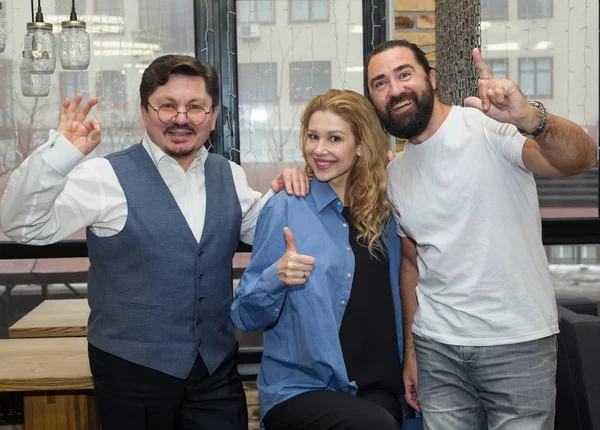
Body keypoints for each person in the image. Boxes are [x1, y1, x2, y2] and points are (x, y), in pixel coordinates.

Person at [0, 54, 309, 430]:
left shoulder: (230, 175)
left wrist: (300, 181)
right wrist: (59, 155)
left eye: (195, 107)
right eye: (167, 106)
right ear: (146, 112)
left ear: (212, 116)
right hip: (131, 374)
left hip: (215, 371)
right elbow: (20, 226)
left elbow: (277, 226)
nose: (181, 118)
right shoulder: (104, 176)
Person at [366, 39, 598, 429]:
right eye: (380, 83)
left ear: (432, 79)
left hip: (518, 344)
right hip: (436, 350)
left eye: (404, 74)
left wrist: (532, 120)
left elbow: (583, 158)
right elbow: (412, 266)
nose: (395, 89)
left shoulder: (488, 126)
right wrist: (411, 352)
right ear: (374, 100)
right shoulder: (395, 174)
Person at [231, 89, 407, 430]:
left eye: (334, 138)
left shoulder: (385, 211)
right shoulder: (287, 205)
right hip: (301, 388)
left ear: (361, 146)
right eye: (313, 136)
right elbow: (244, 314)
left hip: (377, 389)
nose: (319, 149)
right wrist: (275, 277)